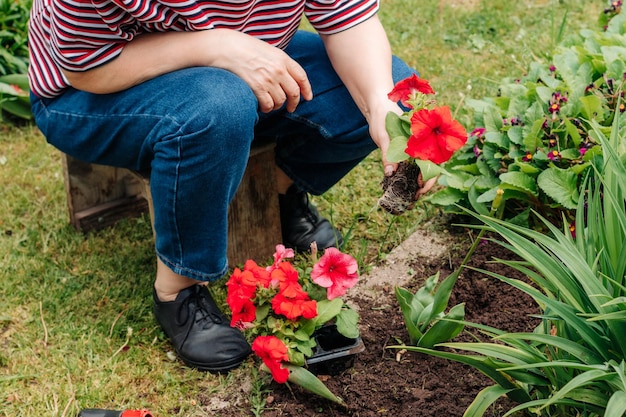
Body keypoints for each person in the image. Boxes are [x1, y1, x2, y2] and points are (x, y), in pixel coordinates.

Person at [28, 0, 428, 373]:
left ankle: (278, 192)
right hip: (90, 90)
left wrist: (380, 105)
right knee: (217, 104)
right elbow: (89, 66)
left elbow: (349, 18)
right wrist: (218, 46)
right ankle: (177, 289)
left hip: (242, 66)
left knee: (393, 83)